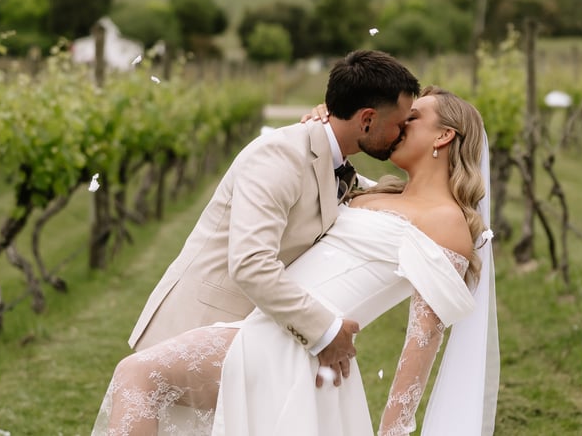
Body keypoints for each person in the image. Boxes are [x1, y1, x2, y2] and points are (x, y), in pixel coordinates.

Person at [92, 86, 499, 435]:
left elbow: (422, 340)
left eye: (412, 117)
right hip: (274, 326)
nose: (399, 124)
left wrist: (393, 430)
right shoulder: (376, 192)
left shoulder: (447, 223)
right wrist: (327, 128)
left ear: (444, 135)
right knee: (140, 377)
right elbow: (325, 173)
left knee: (137, 375)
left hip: (291, 348)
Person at [128, 49, 421, 388]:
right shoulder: (279, 156)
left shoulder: (335, 163)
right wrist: (325, 331)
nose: (403, 133)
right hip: (194, 330)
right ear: (367, 119)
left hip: (246, 340)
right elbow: (251, 263)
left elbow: (379, 199)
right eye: (399, 124)